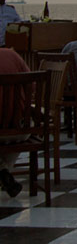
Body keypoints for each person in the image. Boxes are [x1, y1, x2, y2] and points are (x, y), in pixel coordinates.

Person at [0, 48, 30, 198]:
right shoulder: (12, 55)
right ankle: (5, 175)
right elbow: (33, 88)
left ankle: (3, 172)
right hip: (21, 130)